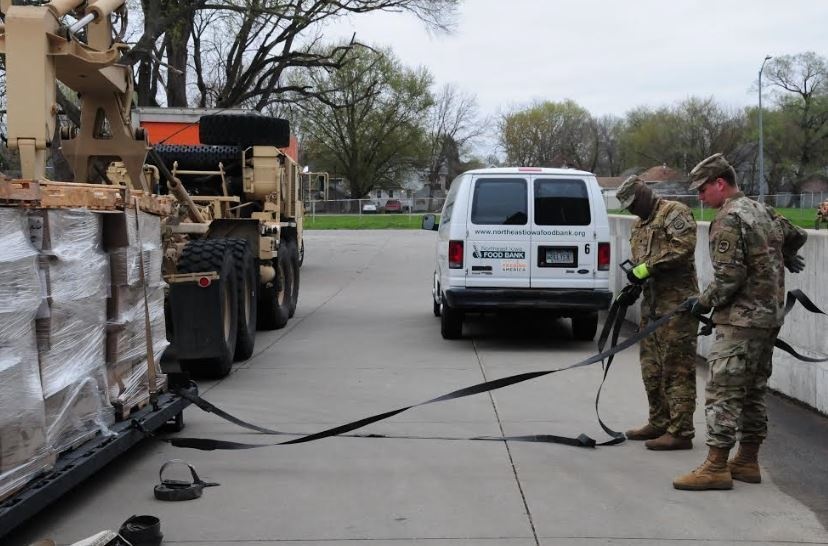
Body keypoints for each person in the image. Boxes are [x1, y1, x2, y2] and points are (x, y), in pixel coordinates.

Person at [673, 153, 807, 491]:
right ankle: (747, 461)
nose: (700, 197)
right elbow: (797, 235)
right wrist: (782, 256)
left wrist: (699, 302)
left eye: (703, 189)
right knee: (753, 392)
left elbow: (729, 278)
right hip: (768, 319)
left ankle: (716, 466)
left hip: (741, 321)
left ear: (720, 183)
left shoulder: (729, 218)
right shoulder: (760, 209)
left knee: (723, 392)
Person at [615, 175, 699, 450]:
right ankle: (659, 421)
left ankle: (681, 431)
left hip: (676, 308)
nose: (631, 210)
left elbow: (682, 249)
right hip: (651, 310)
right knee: (651, 369)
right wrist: (635, 284)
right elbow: (640, 267)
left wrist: (648, 267)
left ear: (643, 195)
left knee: (677, 369)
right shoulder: (640, 225)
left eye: (632, 203)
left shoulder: (673, 212)